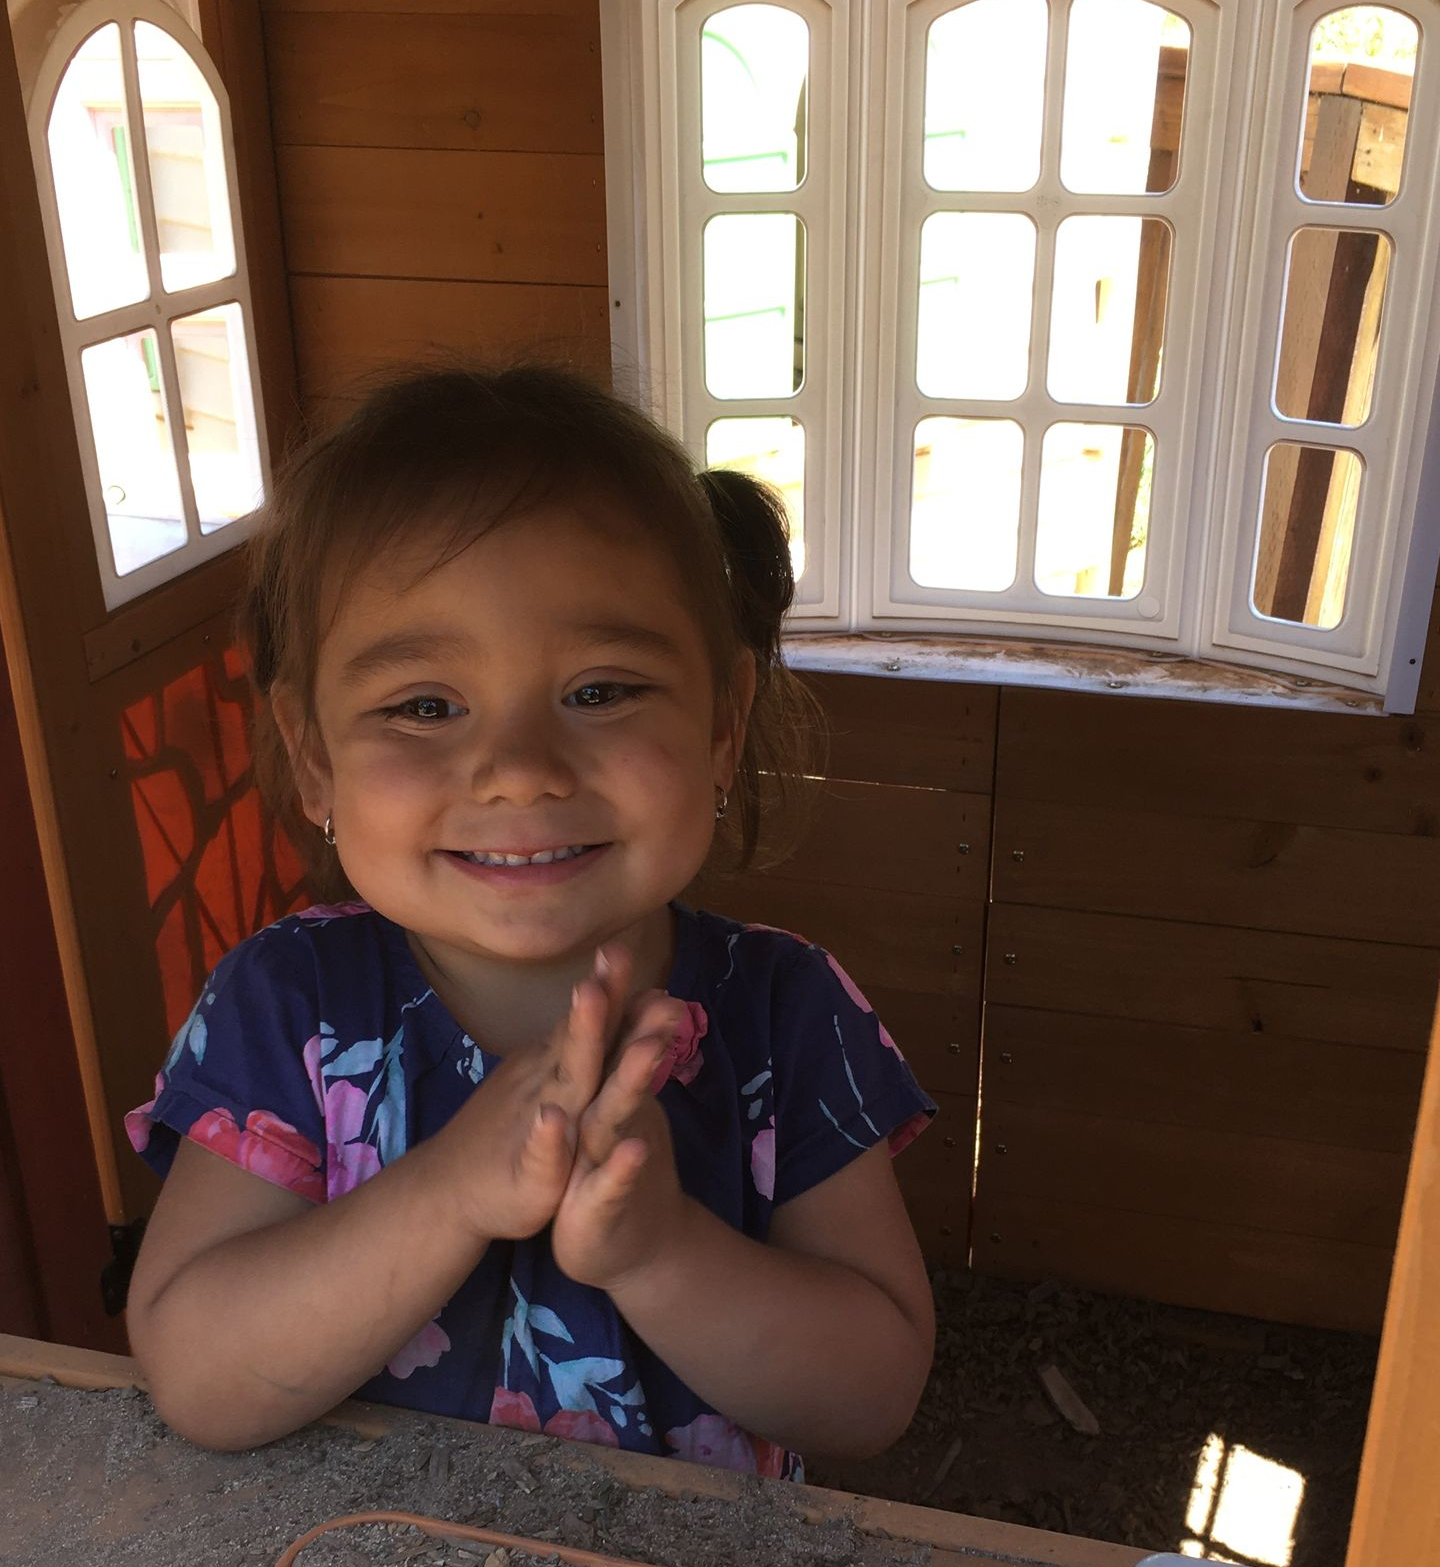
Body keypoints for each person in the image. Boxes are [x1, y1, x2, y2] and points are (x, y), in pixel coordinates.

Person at [123, 364, 936, 1477]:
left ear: (723, 724)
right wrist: (452, 1186)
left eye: (600, 690)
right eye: (424, 706)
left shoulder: (790, 1014)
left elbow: (873, 1394)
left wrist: (661, 1251)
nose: (516, 770)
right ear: (314, 757)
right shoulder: (287, 1003)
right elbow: (199, 1374)